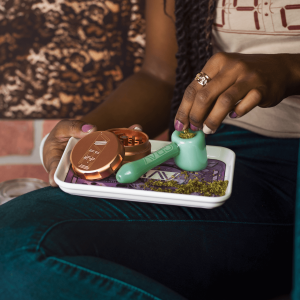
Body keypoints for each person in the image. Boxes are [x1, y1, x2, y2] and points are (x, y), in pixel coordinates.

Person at [1, 0, 300, 299]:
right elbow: (159, 75)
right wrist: (85, 138)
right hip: (230, 161)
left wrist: (290, 69)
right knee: (15, 247)